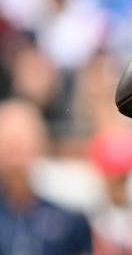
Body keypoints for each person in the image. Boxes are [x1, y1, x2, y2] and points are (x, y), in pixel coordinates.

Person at [0, 98, 92, 255]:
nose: (16, 159)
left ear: (39, 146)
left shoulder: (68, 217)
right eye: (9, 146)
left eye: (21, 145)